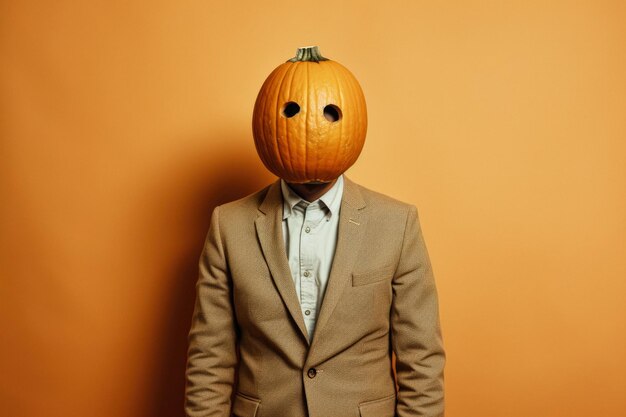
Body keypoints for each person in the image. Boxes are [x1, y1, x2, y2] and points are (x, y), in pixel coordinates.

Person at [184, 46, 445, 417]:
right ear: (267, 125)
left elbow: (422, 361)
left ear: (351, 122)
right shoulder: (229, 226)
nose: (310, 128)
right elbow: (209, 359)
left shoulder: (397, 224)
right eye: (291, 112)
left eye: (329, 114)